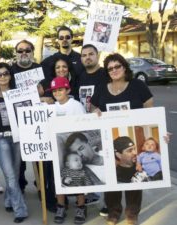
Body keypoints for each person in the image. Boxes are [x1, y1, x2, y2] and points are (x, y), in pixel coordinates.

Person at [90, 53, 154, 225]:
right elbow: (93, 106)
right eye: (110, 68)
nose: (114, 70)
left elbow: (150, 110)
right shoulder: (102, 88)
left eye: (117, 66)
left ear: (124, 67)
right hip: (108, 140)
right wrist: (95, 111)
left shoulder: (137, 85)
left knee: (134, 174)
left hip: (132, 135)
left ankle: (132, 213)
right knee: (111, 177)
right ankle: (113, 211)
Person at [0, 63, 28, 223]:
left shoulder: (18, 94)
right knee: (9, 175)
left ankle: (9, 200)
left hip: (18, 137)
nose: (2, 77)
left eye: (5, 73)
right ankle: (20, 209)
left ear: (10, 76)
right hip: (0, 138)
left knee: (15, 173)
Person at [48, 76, 87, 224]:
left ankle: (81, 206)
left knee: (78, 178)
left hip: (73, 149)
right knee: (59, 179)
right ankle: (61, 206)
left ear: (68, 90)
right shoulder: (52, 107)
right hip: (57, 150)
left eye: (60, 89)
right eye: (54, 90)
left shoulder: (76, 105)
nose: (57, 92)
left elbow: (84, 126)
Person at [79, 44, 108, 214]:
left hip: (103, 124)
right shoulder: (80, 76)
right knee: (90, 162)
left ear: (97, 56)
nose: (87, 57)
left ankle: (107, 203)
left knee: (105, 163)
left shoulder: (105, 74)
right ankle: (95, 193)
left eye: (91, 54)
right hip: (84, 125)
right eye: (84, 55)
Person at [10, 39, 42, 193]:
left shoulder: (39, 69)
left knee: (38, 155)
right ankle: (20, 186)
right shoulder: (9, 71)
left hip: (37, 119)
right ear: (16, 53)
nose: (24, 53)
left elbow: (47, 92)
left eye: (27, 50)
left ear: (32, 52)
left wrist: (42, 94)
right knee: (19, 158)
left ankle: (41, 185)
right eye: (20, 50)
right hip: (16, 119)